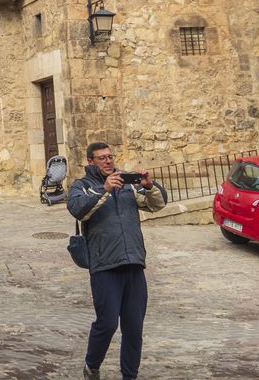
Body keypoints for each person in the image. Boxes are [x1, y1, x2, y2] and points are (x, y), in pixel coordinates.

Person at [67, 142, 168, 380]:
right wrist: (104, 189)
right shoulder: (82, 186)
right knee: (108, 322)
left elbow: (158, 204)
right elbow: (78, 210)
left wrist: (149, 186)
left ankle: (129, 375)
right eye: (101, 158)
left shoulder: (127, 185)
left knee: (134, 328)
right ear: (91, 161)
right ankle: (92, 365)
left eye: (110, 156)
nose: (108, 161)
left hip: (133, 263)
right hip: (104, 266)